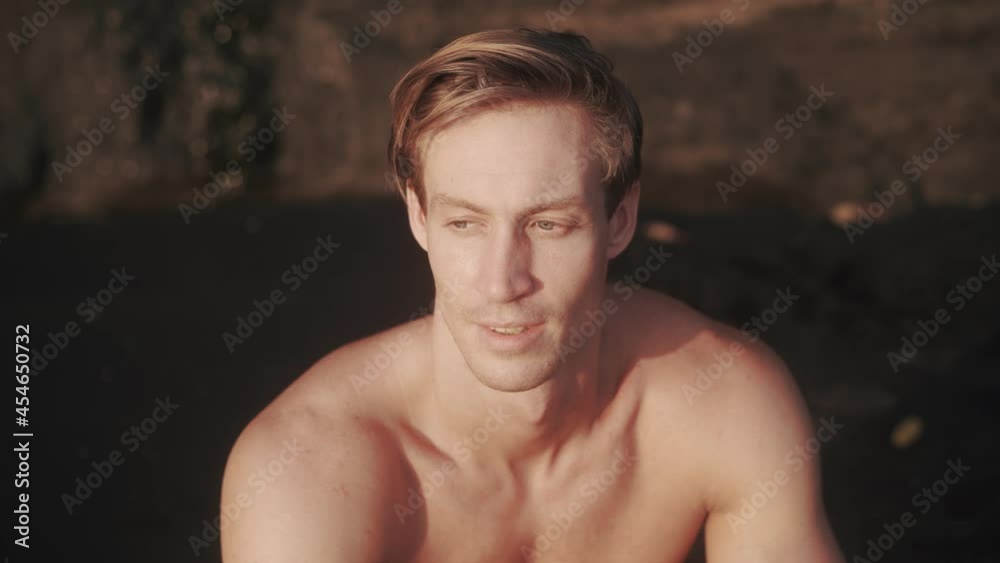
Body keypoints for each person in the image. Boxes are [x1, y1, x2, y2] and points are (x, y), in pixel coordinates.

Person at [220, 28, 844, 562]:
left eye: (548, 225)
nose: (503, 283)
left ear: (621, 220)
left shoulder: (724, 403)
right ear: (418, 218)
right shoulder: (304, 472)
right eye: (464, 223)